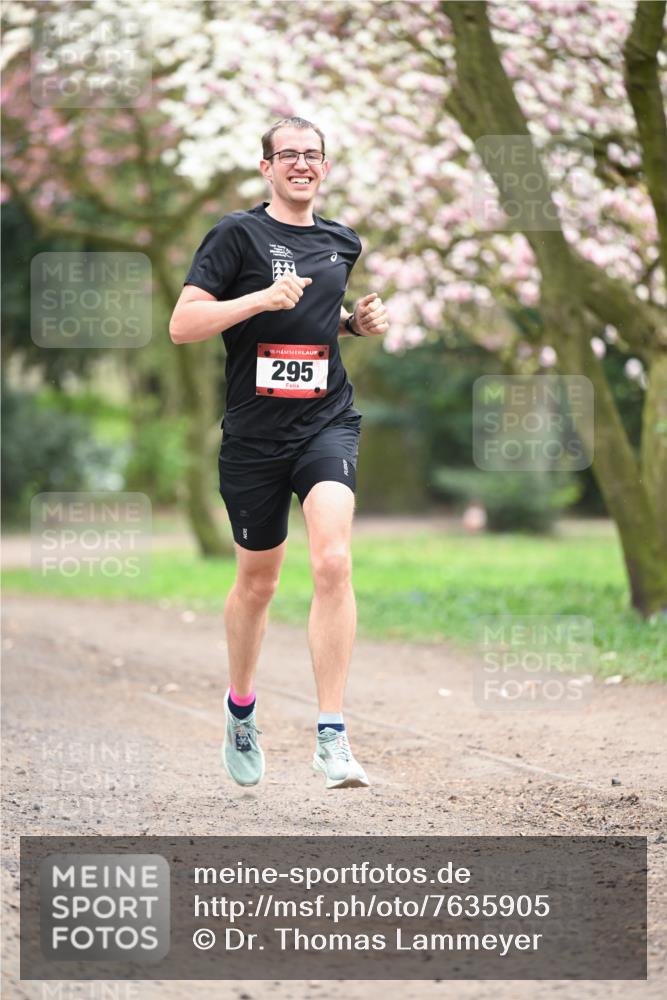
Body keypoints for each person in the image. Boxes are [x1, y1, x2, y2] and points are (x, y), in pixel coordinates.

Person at [169, 116, 389, 790]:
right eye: (287, 154)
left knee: (332, 559)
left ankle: (332, 737)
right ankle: (241, 709)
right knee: (258, 582)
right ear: (266, 168)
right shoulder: (236, 235)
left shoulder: (340, 241)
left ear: (324, 167)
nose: (301, 164)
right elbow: (183, 325)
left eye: (312, 155)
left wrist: (353, 324)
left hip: (326, 423)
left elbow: (316, 320)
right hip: (254, 438)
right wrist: (257, 298)